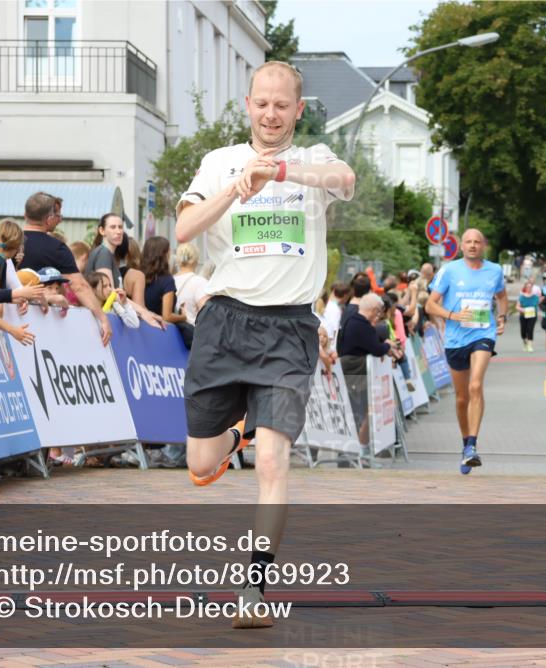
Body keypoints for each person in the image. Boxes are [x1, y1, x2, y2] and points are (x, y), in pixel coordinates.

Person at [175, 60, 355, 628]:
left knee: (274, 463)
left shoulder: (315, 159)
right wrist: (238, 184)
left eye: (283, 105)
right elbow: (183, 231)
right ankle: (238, 432)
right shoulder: (218, 161)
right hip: (224, 322)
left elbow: (345, 182)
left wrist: (279, 175)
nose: (272, 114)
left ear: (298, 110)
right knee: (201, 466)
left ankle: (253, 588)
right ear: (247, 105)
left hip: (288, 330)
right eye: (262, 103)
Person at [18, 192, 162, 344]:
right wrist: (103, 319)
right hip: (41, 328)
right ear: (48, 219)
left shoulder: (12, 241)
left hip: (15, 319)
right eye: (58, 216)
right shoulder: (57, 248)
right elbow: (79, 286)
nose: (60, 220)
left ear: (25, 214)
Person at [424, 228, 508, 474]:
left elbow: (502, 297)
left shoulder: (494, 271)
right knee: (461, 398)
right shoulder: (449, 270)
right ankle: (465, 446)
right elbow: (430, 304)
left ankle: (473, 444)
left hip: (483, 334)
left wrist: (502, 317)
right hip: (455, 339)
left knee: (475, 386)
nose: (473, 245)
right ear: (462, 246)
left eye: (477, 242)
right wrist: (453, 315)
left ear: (484, 246)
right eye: (468, 242)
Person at [337, 293, 401, 446]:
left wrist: (384, 344)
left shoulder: (352, 320)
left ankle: (360, 447)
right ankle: (360, 447)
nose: (379, 316)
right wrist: (387, 345)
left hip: (353, 374)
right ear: (373, 310)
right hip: (357, 376)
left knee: (361, 413)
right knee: (363, 413)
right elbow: (376, 349)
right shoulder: (361, 324)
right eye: (379, 311)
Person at [173, 243, 209, 326]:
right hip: (192, 333)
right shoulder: (200, 282)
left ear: (178, 260)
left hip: (173, 333)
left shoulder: (170, 281)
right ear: (196, 260)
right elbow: (206, 314)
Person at [86, 213, 124, 288]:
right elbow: (108, 293)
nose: (118, 231)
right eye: (113, 227)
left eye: (120, 227)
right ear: (102, 231)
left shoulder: (106, 253)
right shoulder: (104, 254)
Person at [516, 280, 539, 353]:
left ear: (532, 288)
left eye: (530, 287)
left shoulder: (535, 297)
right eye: (527, 287)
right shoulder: (522, 297)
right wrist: (522, 309)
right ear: (525, 288)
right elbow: (517, 307)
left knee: (530, 329)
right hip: (523, 315)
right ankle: (525, 343)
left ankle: (530, 346)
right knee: (523, 331)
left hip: (532, 315)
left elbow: (538, 306)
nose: (529, 288)